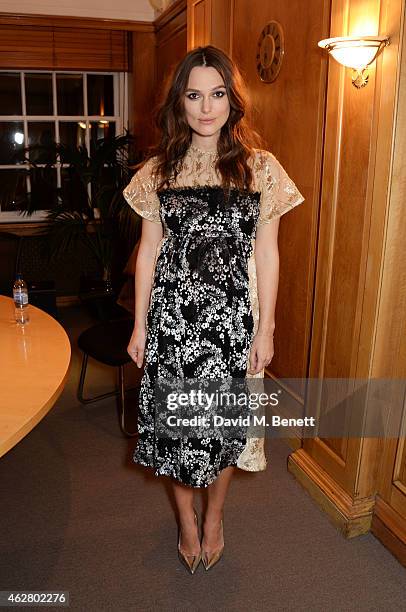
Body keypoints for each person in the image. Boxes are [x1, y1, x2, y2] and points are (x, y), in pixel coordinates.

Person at [123, 45, 305, 573]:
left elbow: (267, 254)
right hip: (173, 323)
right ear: (179, 103)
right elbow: (149, 254)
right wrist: (139, 325)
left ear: (233, 100)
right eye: (194, 94)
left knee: (225, 431)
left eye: (218, 94)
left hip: (231, 324)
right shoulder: (157, 171)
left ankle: (215, 518)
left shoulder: (261, 169)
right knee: (177, 432)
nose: (207, 107)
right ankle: (185, 522)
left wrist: (265, 330)